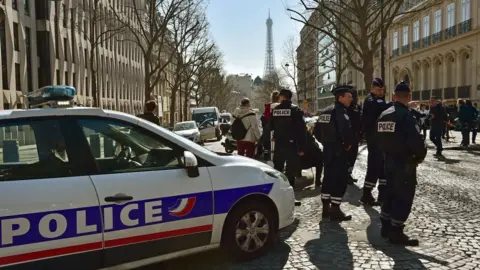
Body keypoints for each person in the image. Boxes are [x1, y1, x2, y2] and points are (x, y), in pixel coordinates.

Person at [376, 81, 427, 246]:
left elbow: (379, 140)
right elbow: (416, 142)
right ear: (409, 96)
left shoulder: (384, 114)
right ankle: (396, 231)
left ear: (394, 97)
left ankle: (385, 226)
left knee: (389, 194)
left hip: (388, 161)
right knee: (403, 197)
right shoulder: (406, 116)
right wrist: (420, 156)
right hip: (404, 163)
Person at [314, 85, 354, 221]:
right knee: (339, 180)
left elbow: (316, 132)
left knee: (328, 179)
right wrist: (347, 146)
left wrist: (326, 143)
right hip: (338, 152)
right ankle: (335, 210)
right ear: (340, 97)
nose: (351, 99)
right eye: (349, 97)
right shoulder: (341, 112)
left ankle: (326, 209)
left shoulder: (325, 111)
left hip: (328, 151)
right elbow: (347, 132)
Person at [360, 78, 390, 206]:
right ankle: (366, 194)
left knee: (383, 167)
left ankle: (382, 193)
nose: (380, 92)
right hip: (374, 139)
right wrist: (394, 104)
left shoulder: (380, 100)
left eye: (382, 90)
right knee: (374, 166)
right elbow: (380, 107)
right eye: (378, 90)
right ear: (372, 89)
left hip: (382, 139)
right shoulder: (370, 100)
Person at [270, 89, 307, 188]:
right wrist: (302, 147)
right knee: (290, 169)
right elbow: (302, 130)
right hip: (292, 144)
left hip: (279, 144)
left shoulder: (275, 110)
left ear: (282, 97)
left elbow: (269, 127)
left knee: (278, 168)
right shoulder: (295, 110)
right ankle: (289, 190)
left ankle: (278, 188)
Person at [346, 88, 362, 184]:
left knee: (353, 157)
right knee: (348, 157)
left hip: (356, 137)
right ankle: (345, 175)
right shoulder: (345, 108)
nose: (354, 98)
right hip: (349, 136)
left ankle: (349, 173)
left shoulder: (357, 107)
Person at [262, 91, 280, 161]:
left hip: (269, 129)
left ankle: (267, 158)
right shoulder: (281, 105)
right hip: (279, 128)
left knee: (267, 144)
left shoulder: (268, 106)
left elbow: (266, 117)